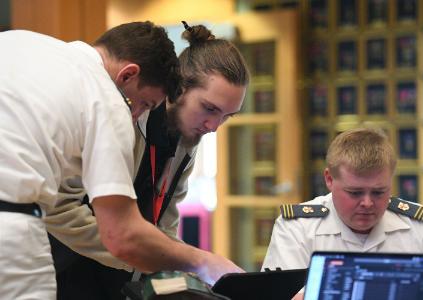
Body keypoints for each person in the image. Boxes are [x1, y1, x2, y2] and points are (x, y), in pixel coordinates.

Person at [0, 21, 246, 300]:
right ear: (178, 91)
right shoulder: (112, 104)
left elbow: (161, 227)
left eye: (227, 117)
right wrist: (196, 261)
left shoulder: (24, 45)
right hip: (54, 258)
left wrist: (169, 265)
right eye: (209, 108)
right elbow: (110, 229)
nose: (214, 126)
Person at [262, 127, 423, 298]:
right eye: (355, 192)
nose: (367, 203)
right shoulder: (297, 228)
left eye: (378, 192)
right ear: (329, 179)